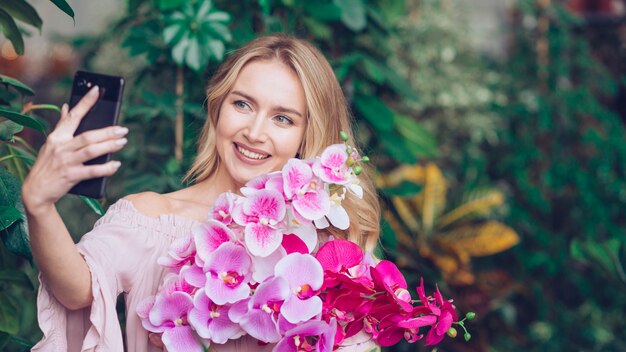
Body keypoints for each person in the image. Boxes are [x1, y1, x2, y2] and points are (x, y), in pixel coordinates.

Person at [22, 35, 381, 351]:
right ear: (217, 108)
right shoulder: (151, 218)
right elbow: (78, 290)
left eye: (282, 118)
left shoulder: (328, 241)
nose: (255, 132)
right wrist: (39, 205)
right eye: (242, 104)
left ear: (308, 135)